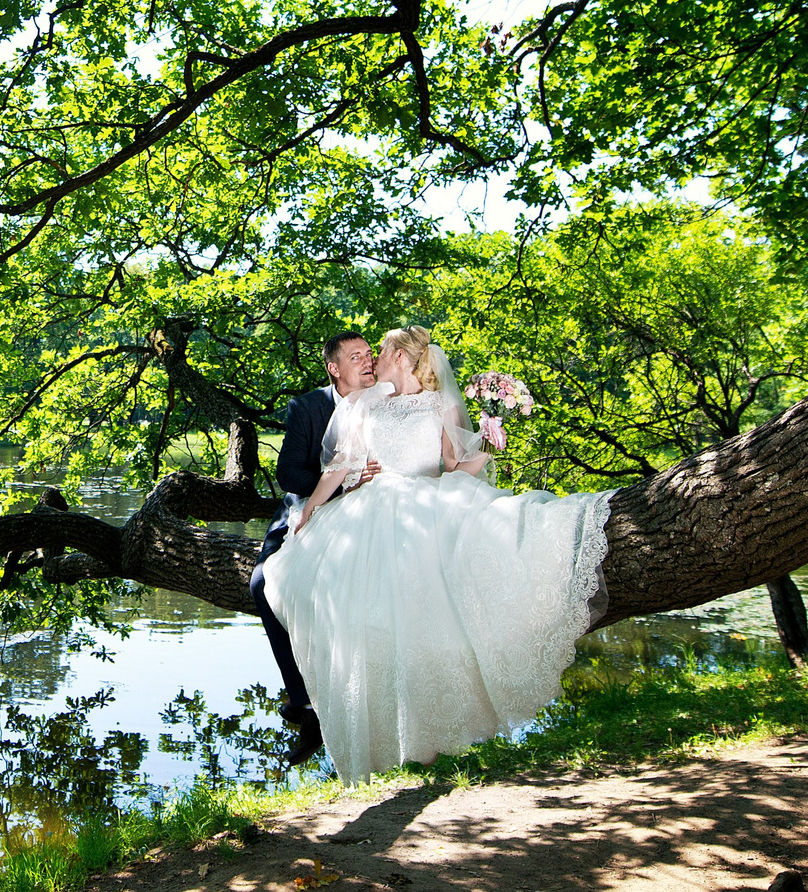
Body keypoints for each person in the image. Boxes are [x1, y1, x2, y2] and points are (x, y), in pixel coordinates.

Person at [261, 325, 615, 783]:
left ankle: (431, 737)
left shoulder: (440, 405)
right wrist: (308, 511)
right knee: (359, 615)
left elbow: (455, 468)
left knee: (430, 621)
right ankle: (360, 724)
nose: (374, 360)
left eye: (381, 352)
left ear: (403, 359)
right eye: (364, 355)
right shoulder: (370, 404)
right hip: (370, 509)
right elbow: (341, 464)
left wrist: (487, 444)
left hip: (424, 506)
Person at [253, 332, 379, 764]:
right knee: (261, 584)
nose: (367, 361)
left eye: (369, 354)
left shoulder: (390, 401)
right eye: (355, 356)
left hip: (373, 517)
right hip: (309, 509)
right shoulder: (307, 407)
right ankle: (306, 706)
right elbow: (289, 474)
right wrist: (344, 481)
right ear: (334, 368)